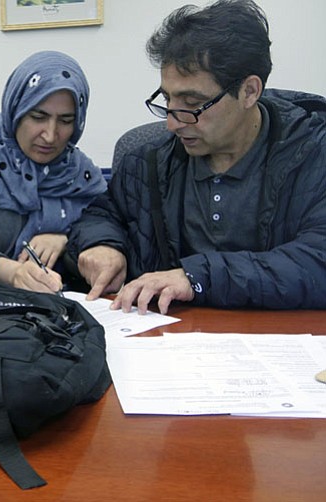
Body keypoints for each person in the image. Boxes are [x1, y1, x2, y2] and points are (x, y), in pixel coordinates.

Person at [68, 0, 326, 313]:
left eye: (192, 102)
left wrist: (197, 277)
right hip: (172, 344)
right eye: (167, 98)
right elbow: (104, 214)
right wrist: (103, 245)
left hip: (289, 345)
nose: (172, 122)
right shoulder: (149, 162)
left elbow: (317, 260)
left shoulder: (313, 154)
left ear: (249, 92)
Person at [0, 50, 107, 295]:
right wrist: (13, 273)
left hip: (57, 309)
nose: (50, 135)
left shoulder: (81, 174)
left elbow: (106, 227)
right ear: (16, 109)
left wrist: (65, 240)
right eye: (38, 117)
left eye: (66, 121)